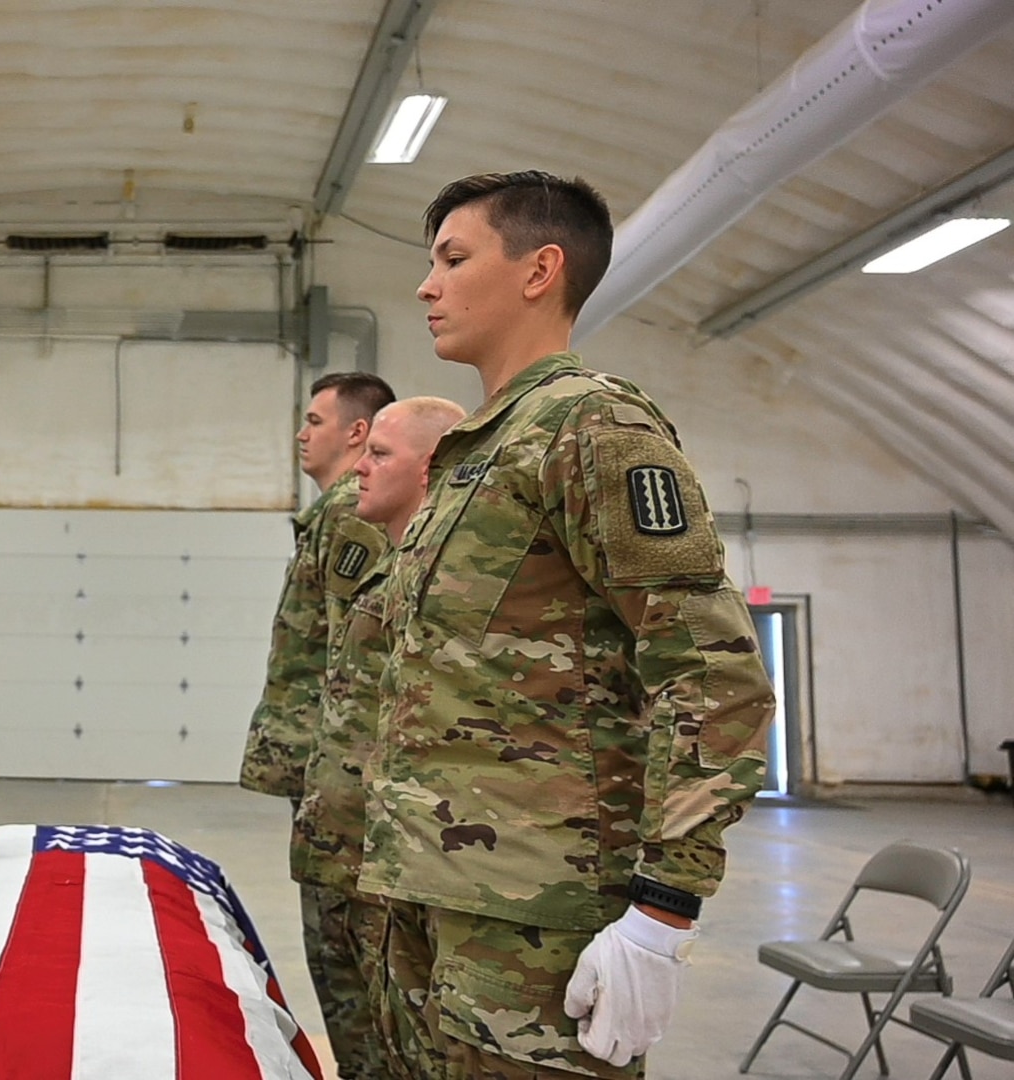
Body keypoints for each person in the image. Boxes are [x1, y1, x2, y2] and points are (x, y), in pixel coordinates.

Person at [359, 172, 774, 1079]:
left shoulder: (589, 425)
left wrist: (663, 912)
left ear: (540, 269)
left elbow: (711, 673)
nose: (426, 287)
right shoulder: (478, 453)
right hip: (437, 892)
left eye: (453, 259)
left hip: (538, 918)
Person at [295, 397, 467, 1068]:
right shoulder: (394, 564)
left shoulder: (442, 575)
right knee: (367, 1032)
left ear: (428, 468)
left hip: (391, 847)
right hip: (346, 823)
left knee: (396, 1036)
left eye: (378, 455)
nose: (357, 469)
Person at [239, 369, 395, 1080]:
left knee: (347, 968)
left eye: (315, 419)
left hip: (342, 789)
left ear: (356, 432)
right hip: (329, 778)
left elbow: (349, 659)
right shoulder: (337, 514)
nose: (301, 434)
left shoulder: (347, 514)